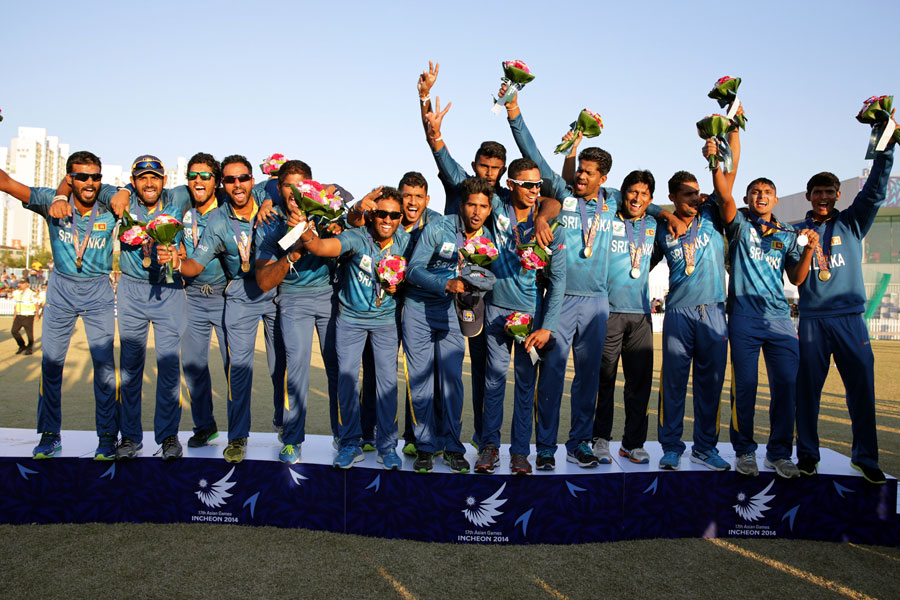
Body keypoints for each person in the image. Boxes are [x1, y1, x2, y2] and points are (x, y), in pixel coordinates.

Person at [501, 89, 678, 469]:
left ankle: (578, 443)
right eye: (579, 169)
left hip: (600, 304)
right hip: (561, 299)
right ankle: (545, 447)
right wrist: (514, 111)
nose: (580, 175)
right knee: (550, 376)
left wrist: (669, 215)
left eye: (588, 172)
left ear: (604, 178)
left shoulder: (614, 201)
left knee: (589, 381)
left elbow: (645, 200)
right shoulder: (560, 194)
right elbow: (530, 149)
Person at [703, 124, 818, 478]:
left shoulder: (787, 234)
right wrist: (715, 163)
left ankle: (780, 452)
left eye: (767, 192)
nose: (761, 196)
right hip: (744, 319)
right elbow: (724, 197)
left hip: (781, 320)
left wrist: (810, 249)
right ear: (749, 198)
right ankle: (745, 451)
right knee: (746, 388)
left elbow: (796, 278)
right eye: (755, 191)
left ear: (776, 199)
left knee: (786, 386)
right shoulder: (738, 224)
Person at [159, 155, 286, 464]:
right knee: (239, 370)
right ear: (223, 184)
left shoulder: (271, 201)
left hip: (274, 291)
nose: (237, 184)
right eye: (230, 180)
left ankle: (287, 428)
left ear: (252, 181)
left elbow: (298, 184)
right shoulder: (218, 220)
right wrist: (177, 262)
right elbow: (196, 263)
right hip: (240, 293)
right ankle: (238, 437)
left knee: (280, 366)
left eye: (242, 178)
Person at [0, 151, 120, 459]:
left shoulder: (109, 206)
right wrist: (58, 196)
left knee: (105, 368)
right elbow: (6, 182)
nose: (89, 182)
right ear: (69, 178)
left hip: (98, 291)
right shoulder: (50, 202)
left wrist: (125, 192)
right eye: (81, 177)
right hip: (61, 289)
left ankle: (107, 436)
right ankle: (50, 435)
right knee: (51, 366)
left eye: (95, 176)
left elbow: (135, 195)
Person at [794, 134, 895, 484]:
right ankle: (807, 455)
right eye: (817, 192)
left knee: (862, 390)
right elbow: (794, 276)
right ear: (809, 196)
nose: (823, 197)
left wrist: (886, 147)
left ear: (838, 195)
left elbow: (875, 192)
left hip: (850, 318)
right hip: (812, 321)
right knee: (806, 391)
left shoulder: (852, 222)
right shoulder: (796, 231)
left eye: (829, 191)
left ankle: (865, 457)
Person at [418, 61, 505, 450]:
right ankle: (422, 439)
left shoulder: (499, 203)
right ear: (474, 167)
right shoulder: (461, 184)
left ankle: (483, 440)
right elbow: (440, 152)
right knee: (433, 373)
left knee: (482, 373)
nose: (488, 174)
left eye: (495, 169)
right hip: (441, 293)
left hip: (478, 300)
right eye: (484, 167)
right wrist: (428, 117)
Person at [299, 187, 410, 469]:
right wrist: (305, 229)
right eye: (381, 213)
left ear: (400, 218)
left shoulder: (406, 242)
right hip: (350, 320)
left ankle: (387, 447)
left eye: (394, 215)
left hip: (385, 322)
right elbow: (321, 247)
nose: (387, 219)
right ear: (372, 215)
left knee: (387, 385)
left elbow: (417, 274)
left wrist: (401, 283)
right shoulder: (355, 237)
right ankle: (349, 443)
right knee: (347, 383)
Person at [476, 158, 565, 475]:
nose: (534, 190)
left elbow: (557, 283)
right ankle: (489, 448)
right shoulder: (497, 205)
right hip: (496, 312)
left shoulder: (552, 223)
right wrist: (437, 143)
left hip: (530, 316)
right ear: (511, 184)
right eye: (527, 184)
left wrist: (547, 327)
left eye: (538, 184)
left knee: (526, 388)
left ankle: (519, 453)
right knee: (493, 384)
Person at [405, 177, 495, 474]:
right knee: (420, 383)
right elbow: (413, 270)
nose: (477, 211)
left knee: (452, 385)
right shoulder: (439, 227)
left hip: (452, 316)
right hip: (419, 311)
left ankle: (454, 448)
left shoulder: (487, 242)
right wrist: (446, 283)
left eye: (483, 206)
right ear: (462, 205)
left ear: (490, 208)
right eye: (471, 204)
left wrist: (477, 283)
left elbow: (485, 278)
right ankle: (426, 447)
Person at [255, 159, 341, 463]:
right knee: (295, 371)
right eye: (287, 185)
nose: (293, 192)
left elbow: (351, 216)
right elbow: (265, 281)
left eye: (300, 185)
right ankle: (292, 439)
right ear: (279, 188)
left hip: (329, 298)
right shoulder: (268, 221)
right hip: (292, 299)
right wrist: (292, 253)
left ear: (311, 187)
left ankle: (345, 438)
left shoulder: (326, 210)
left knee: (339, 369)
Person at [353, 171, 442, 457]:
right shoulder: (386, 219)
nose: (412, 202)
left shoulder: (437, 223)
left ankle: (414, 436)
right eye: (407, 196)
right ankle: (368, 431)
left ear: (427, 199)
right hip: (384, 308)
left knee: (416, 374)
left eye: (418, 196)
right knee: (376, 370)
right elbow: (352, 224)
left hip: (418, 307)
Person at [112, 155, 191, 460]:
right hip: (132, 289)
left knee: (169, 368)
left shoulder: (177, 198)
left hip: (169, 290)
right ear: (133, 182)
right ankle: (130, 437)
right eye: (142, 177)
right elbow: (90, 186)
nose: (149, 183)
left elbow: (210, 185)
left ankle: (169, 436)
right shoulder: (123, 200)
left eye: (154, 177)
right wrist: (120, 189)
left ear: (163, 181)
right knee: (130, 369)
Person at [651, 171, 730, 471]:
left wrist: (719, 150)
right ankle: (671, 448)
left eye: (696, 192)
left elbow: (728, 182)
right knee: (673, 384)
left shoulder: (711, 212)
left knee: (710, 385)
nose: (695, 198)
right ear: (672, 198)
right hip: (678, 313)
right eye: (687, 194)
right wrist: (663, 214)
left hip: (713, 311)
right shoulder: (662, 227)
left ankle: (705, 448)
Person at [591, 170, 660, 464]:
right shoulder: (608, 219)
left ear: (651, 199)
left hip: (641, 315)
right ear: (624, 193)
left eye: (644, 194)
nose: (637, 198)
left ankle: (632, 443)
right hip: (608, 312)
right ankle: (600, 440)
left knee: (639, 383)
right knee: (603, 381)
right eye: (632, 191)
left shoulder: (655, 225)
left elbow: (651, 259)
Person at [175, 153, 229, 448]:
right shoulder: (181, 210)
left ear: (216, 181)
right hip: (192, 296)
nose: (199, 180)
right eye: (193, 175)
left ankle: (240, 431)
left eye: (206, 176)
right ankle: (204, 426)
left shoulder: (227, 211)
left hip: (224, 296)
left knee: (234, 365)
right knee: (193, 366)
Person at [11, 279, 38, 355]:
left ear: (27, 284)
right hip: (19, 315)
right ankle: (22, 345)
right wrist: (15, 314)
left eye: (22, 283)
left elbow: (36, 304)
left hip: (28, 316)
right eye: (20, 283)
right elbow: (17, 304)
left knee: (29, 333)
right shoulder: (18, 293)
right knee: (14, 331)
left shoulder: (31, 293)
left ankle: (29, 349)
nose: (20, 284)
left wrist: (37, 315)